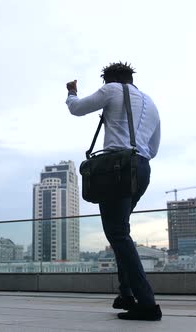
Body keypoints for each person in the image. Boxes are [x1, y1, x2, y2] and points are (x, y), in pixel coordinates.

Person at [65, 62, 162, 321]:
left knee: (117, 233)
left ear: (109, 79)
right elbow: (153, 147)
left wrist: (71, 92)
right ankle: (126, 295)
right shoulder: (151, 103)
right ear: (131, 78)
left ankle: (147, 303)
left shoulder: (111, 90)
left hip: (116, 170)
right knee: (121, 232)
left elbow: (77, 109)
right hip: (141, 169)